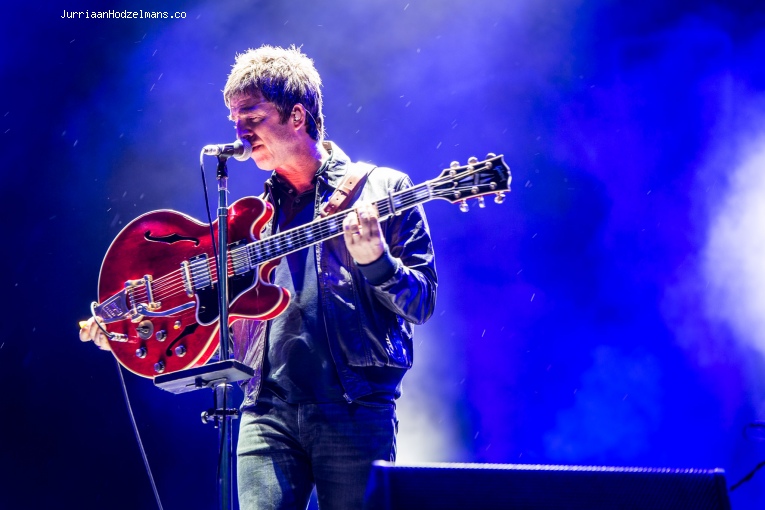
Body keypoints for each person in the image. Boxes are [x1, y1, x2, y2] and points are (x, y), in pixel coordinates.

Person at [80, 44, 437, 510]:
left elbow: (422, 302)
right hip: (266, 411)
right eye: (234, 120)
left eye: (251, 117)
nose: (240, 133)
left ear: (296, 115)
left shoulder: (383, 189)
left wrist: (376, 261)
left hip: (354, 406)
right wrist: (131, 329)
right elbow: (210, 318)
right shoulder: (254, 218)